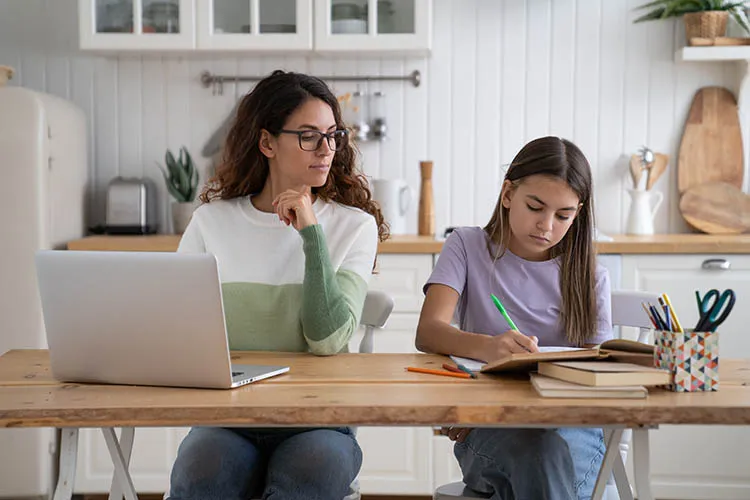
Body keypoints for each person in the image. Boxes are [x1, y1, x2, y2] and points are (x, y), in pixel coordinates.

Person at [168, 70, 388, 500]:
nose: (327, 150)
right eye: (308, 136)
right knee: (201, 471)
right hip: (228, 420)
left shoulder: (354, 227)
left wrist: (312, 235)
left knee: (315, 469)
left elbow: (327, 340)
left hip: (319, 421)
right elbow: (179, 333)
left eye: (333, 135)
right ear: (267, 142)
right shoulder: (211, 223)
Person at [416, 136, 612, 500]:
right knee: (542, 459)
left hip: (573, 428)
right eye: (535, 207)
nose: (547, 225)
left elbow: (595, 375)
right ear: (507, 194)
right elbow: (428, 331)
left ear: (578, 213)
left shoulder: (590, 275)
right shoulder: (466, 245)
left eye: (563, 215)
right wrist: (490, 348)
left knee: (552, 462)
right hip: (490, 424)